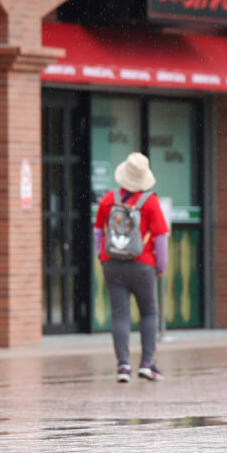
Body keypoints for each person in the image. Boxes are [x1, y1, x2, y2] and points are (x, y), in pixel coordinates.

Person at [93, 152, 169, 383]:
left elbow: (98, 232)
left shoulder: (108, 199)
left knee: (120, 315)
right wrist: (160, 266)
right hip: (142, 264)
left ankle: (123, 366)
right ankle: (147, 363)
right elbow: (161, 238)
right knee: (148, 312)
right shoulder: (150, 202)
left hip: (112, 264)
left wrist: (103, 257)